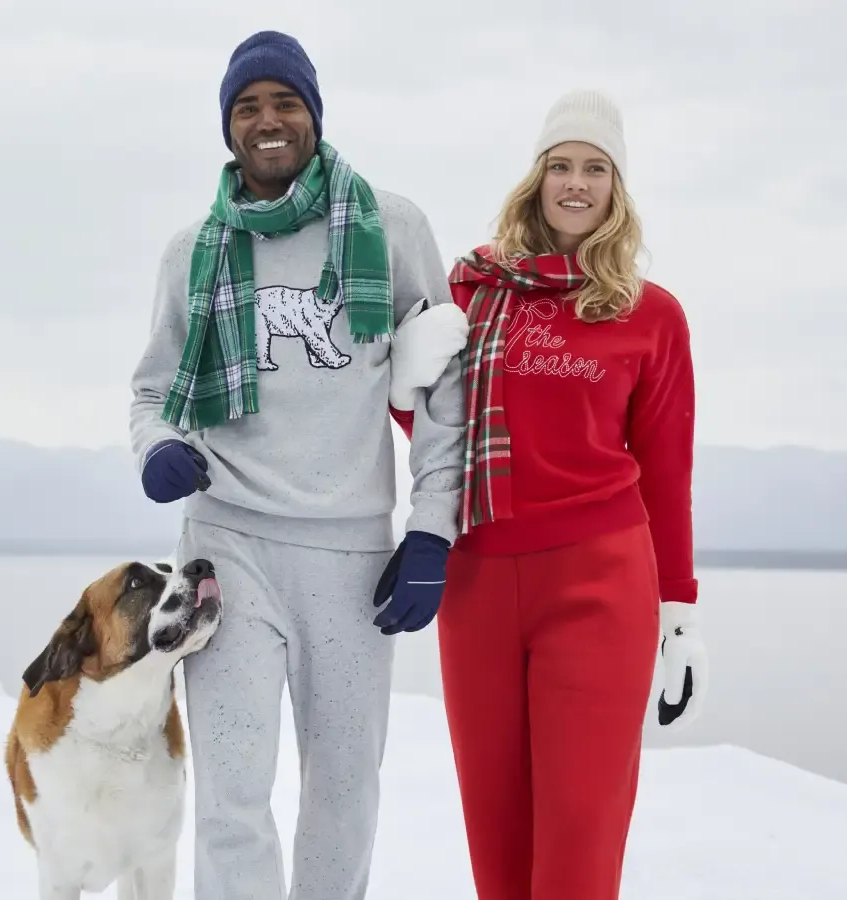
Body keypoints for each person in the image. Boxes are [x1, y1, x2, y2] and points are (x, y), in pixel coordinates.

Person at [127, 29, 469, 900]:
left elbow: (444, 393)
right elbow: (152, 391)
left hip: (350, 557)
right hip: (226, 549)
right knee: (232, 801)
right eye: (247, 107)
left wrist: (432, 530)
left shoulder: (391, 229)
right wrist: (159, 447)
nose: (266, 121)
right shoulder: (192, 253)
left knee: (345, 795)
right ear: (228, 128)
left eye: (284, 103)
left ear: (313, 115)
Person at [391, 88, 710, 899]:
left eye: (595, 169)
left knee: (578, 838)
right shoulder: (472, 289)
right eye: (561, 165)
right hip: (478, 581)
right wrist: (402, 376)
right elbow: (433, 429)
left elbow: (667, 472)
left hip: (599, 585)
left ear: (617, 189)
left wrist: (679, 613)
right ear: (536, 178)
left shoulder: (650, 314)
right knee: (496, 841)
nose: (576, 183)